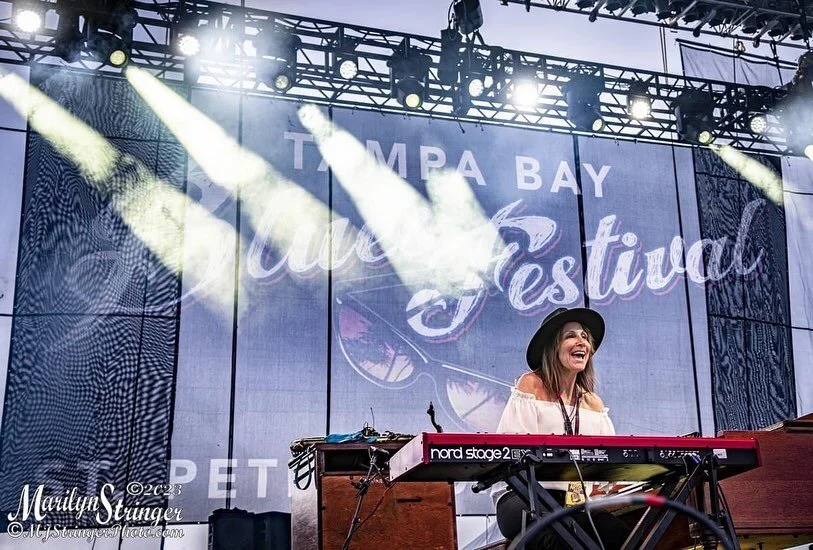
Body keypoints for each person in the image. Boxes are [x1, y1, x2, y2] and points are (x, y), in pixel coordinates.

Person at [492, 307, 630, 549]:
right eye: (570, 336)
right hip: (522, 498)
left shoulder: (593, 403)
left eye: (585, 337)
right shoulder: (531, 385)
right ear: (552, 347)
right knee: (560, 534)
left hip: (574, 503)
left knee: (620, 536)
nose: (581, 342)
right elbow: (511, 457)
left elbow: (610, 466)